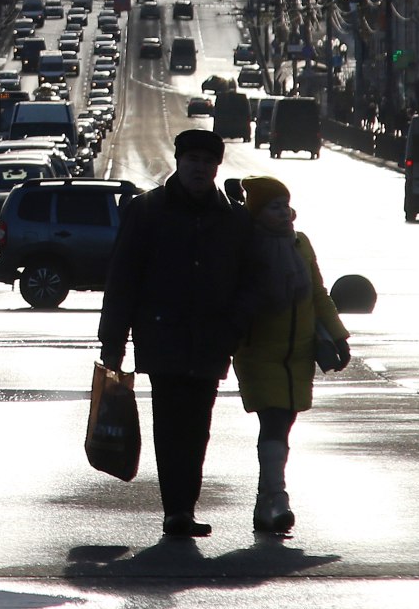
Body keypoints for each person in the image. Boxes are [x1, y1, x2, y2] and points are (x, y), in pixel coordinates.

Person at [99, 128, 252, 541]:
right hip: (161, 337)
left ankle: (186, 506)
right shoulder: (147, 211)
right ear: (178, 163)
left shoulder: (233, 218)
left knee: (198, 426)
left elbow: (247, 279)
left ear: (217, 168)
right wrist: (113, 341)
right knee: (169, 425)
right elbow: (123, 280)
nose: (200, 169)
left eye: (208, 162)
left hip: (211, 339)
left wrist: (235, 327)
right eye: (193, 161)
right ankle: (176, 511)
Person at [230, 176, 346, 538]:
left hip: (298, 353)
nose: (282, 212)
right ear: (257, 211)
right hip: (260, 351)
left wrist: (338, 335)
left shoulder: (300, 243)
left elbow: (318, 293)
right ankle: (276, 499)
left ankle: (266, 503)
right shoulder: (245, 246)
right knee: (275, 421)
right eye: (273, 206)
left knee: (284, 423)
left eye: (285, 205)